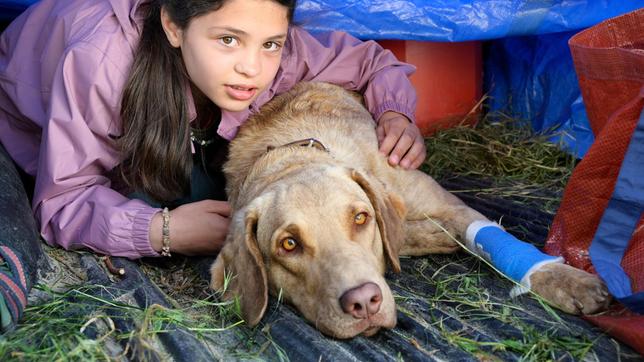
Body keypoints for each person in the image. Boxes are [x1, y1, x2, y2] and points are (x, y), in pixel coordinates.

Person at [0, 0, 425, 260]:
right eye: (228, 40)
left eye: (271, 44)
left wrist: (395, 114)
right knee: (150, 196)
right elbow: (61, 202)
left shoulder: (265, 51)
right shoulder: (101, 64)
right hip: (33, 127)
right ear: (173, 25)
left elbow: (372, 63)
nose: (252, 68)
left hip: (164, 115)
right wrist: (165, 233)